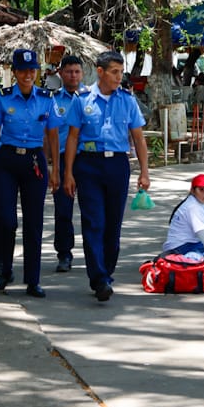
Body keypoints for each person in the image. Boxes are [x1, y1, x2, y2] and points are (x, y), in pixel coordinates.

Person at [63, 50, 150, 302]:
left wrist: (144, 172)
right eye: (114, 72)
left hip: (117, 165)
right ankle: (99, 278)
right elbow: (72, 138)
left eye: (121, 72)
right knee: (94, 222)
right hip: (88, 165)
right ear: (100, 72)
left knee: (113, 224)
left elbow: (138, 138)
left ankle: (107, 271)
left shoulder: (127, 100)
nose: (118, 77)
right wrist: (68, 172)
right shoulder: (82, 100)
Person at [0, 49, 60, 298]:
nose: (28, 75)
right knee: (6, 220)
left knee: (34, 222)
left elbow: (53, 136)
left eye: (32, 70)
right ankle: (3, 270)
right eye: (23, 71)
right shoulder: (2, 98)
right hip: (6, 161)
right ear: (14, 72)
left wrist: (55, 169)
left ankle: (33, 280)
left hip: (34, 160)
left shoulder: (46, 99)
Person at [52, 55, 85, 273]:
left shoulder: (91, 97)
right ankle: (64, 253)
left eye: (77, 71)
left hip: (88, 159)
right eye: (69, 72)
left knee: (92, 210)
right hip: (63, 160)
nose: (73, 76)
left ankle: (95, 254)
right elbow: (49, 135)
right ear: (61, 73)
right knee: (63, 210)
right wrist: (52, 166)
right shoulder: (53, 100)